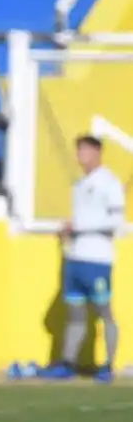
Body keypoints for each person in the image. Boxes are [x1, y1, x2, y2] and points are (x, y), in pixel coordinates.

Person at [43, 135, 125, 383]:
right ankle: (67, 363)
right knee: (75, 314)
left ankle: (109, 365)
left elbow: (115, 221)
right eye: (78, 151)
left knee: (104, 313)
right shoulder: (79, 184)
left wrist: (79, 226)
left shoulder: (110, 183)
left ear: (97, 152)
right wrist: (68, 231)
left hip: (97, 260)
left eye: (84, 151)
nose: (80, 156)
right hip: (75, 258)